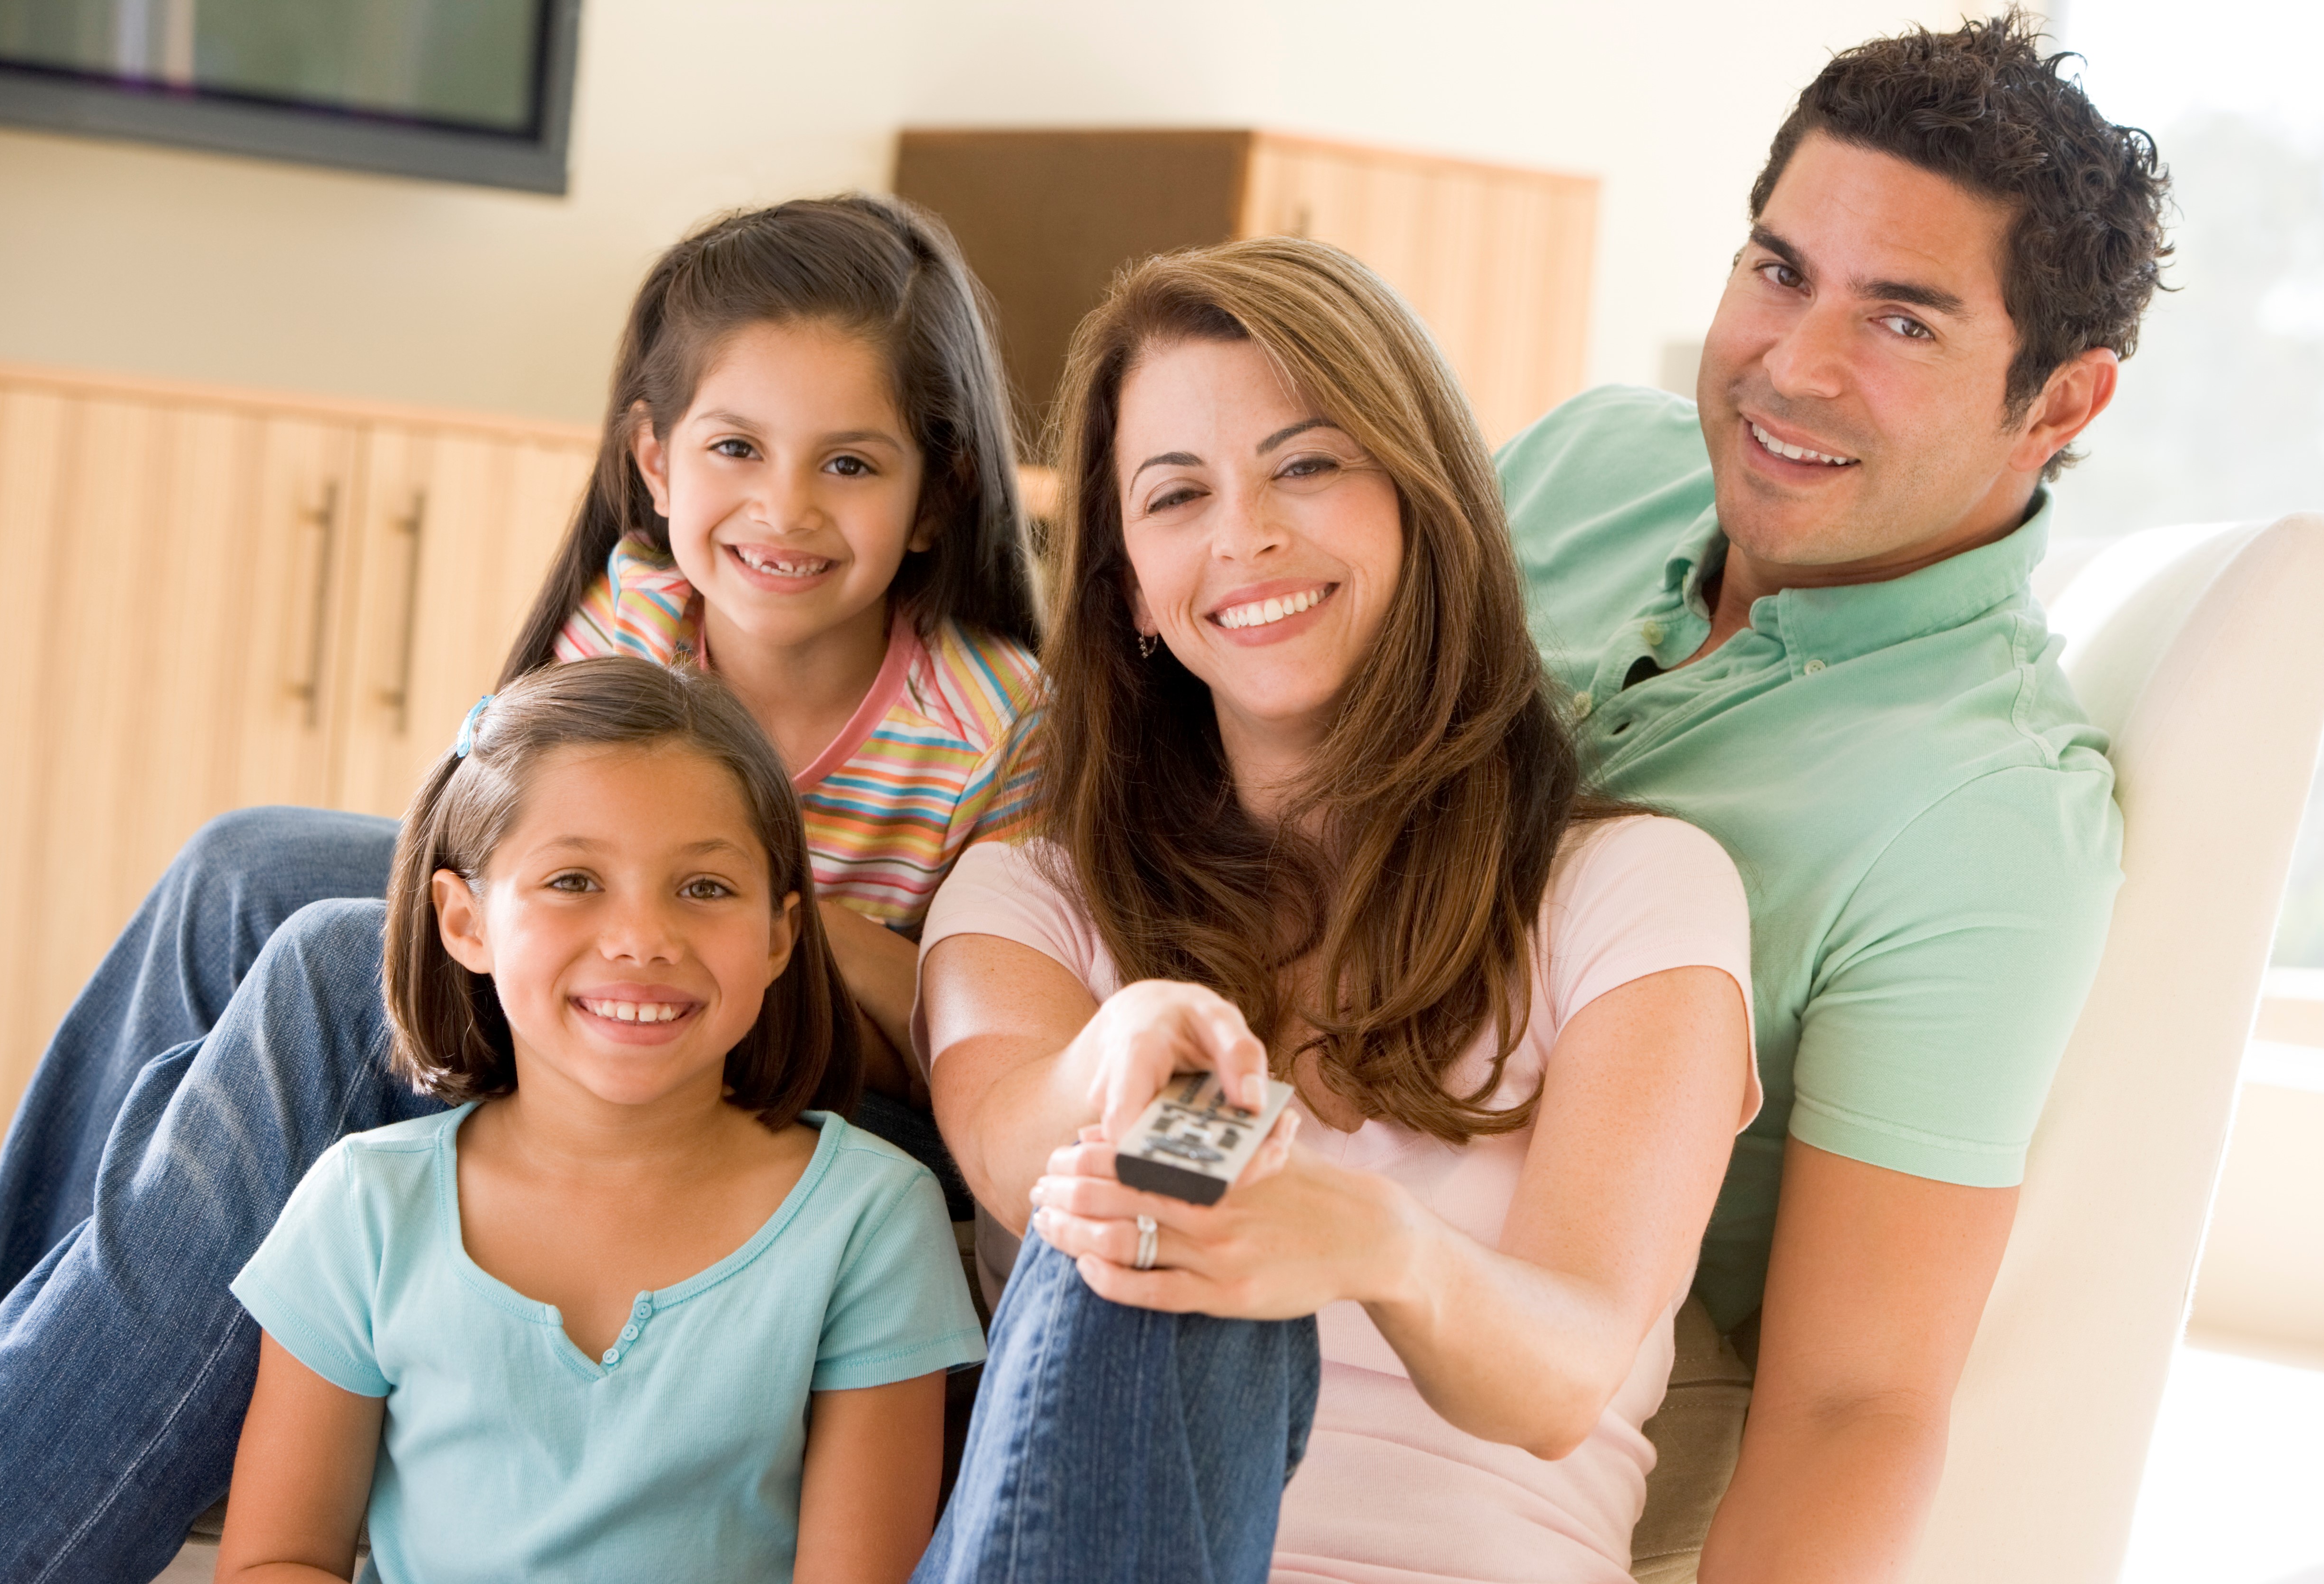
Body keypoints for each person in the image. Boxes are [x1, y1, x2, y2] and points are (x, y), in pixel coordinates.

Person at [0, 193, 1039, 1581]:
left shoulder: (993, 720)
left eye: (848, 463)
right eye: (737, 448)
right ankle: (33, 1372)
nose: (785, 507)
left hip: (811, 1054)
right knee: (243, 869)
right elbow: (496, 834)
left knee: (328, 959)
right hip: (613, 991)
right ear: (655, 461)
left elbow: (987, 1019)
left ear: (937, 493)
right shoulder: (641, 609)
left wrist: (773, 911)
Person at [914, 233, 1761, 1583]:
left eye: (1306, 465)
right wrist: (1115, 1058)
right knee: (1154, 1185)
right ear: (1129, 588)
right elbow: (1014, 1148)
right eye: (1176, 494)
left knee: (1192, 1189)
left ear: (1424, 500)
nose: (1244, 534)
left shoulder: (1634, 890)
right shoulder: (1028, 892)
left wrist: (1372, 1243)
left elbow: (1566, 1375)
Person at [1496, 15, 2162, 1580]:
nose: (1791, 367)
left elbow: (1857, 1400)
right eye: (1779, 270)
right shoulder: (1583, 460)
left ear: (2061, 404)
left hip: (1543, 1389)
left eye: (1903, 322)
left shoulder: (1989, 812)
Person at [214, 658, 983, 1584]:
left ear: (782, 935)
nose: (642, 939)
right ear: (465, 921)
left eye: (705, 887)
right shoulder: (362, 1207)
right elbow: (277, 1558)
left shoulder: (872, 1218)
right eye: (574, 879)